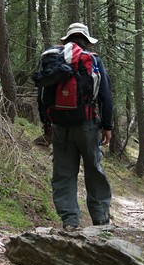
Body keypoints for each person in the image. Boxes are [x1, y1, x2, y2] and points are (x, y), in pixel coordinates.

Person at [47, 22, 113, 230]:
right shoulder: (93, 60)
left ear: (66, 40)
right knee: (94, 169)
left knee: (64, 172)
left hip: (60, 126)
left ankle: (70, 221)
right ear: (86, 41)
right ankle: (100, 219)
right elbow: (105, 95)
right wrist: (107, 126)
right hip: (87, 124)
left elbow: (43, 94)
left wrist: (46, 124)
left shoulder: (53, 59)